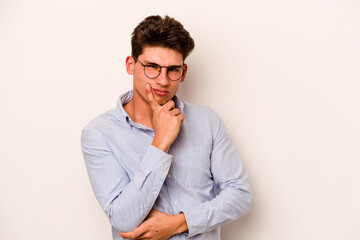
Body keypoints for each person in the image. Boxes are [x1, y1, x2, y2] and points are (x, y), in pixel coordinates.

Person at [81, 15, 252, 240]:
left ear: (184, 71)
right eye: (152, 66)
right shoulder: (99, 134)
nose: (163, 80)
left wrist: (180, 223)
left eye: (173, 69)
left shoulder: (207, 121)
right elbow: (123, 218)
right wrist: (160, 142)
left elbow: (240, 195)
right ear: (130, 65)